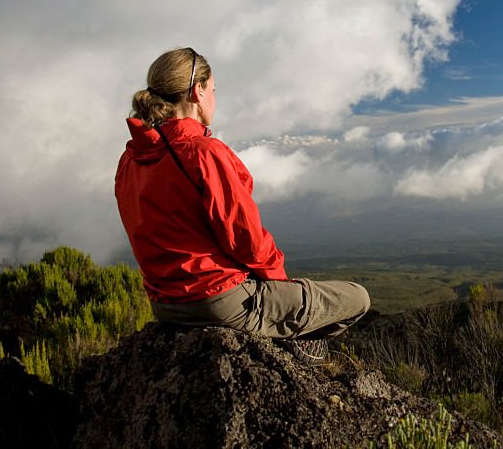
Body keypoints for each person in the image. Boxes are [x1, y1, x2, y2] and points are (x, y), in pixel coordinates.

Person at [114, 47, 370, 361]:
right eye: (213, 90)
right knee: (358, 298)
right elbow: (245, 239)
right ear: (198, 91)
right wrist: (279, 286)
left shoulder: (130, 159)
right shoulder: (204, 152)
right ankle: (292, 340)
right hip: (218, 301)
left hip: (165, 306)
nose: (214, 98)